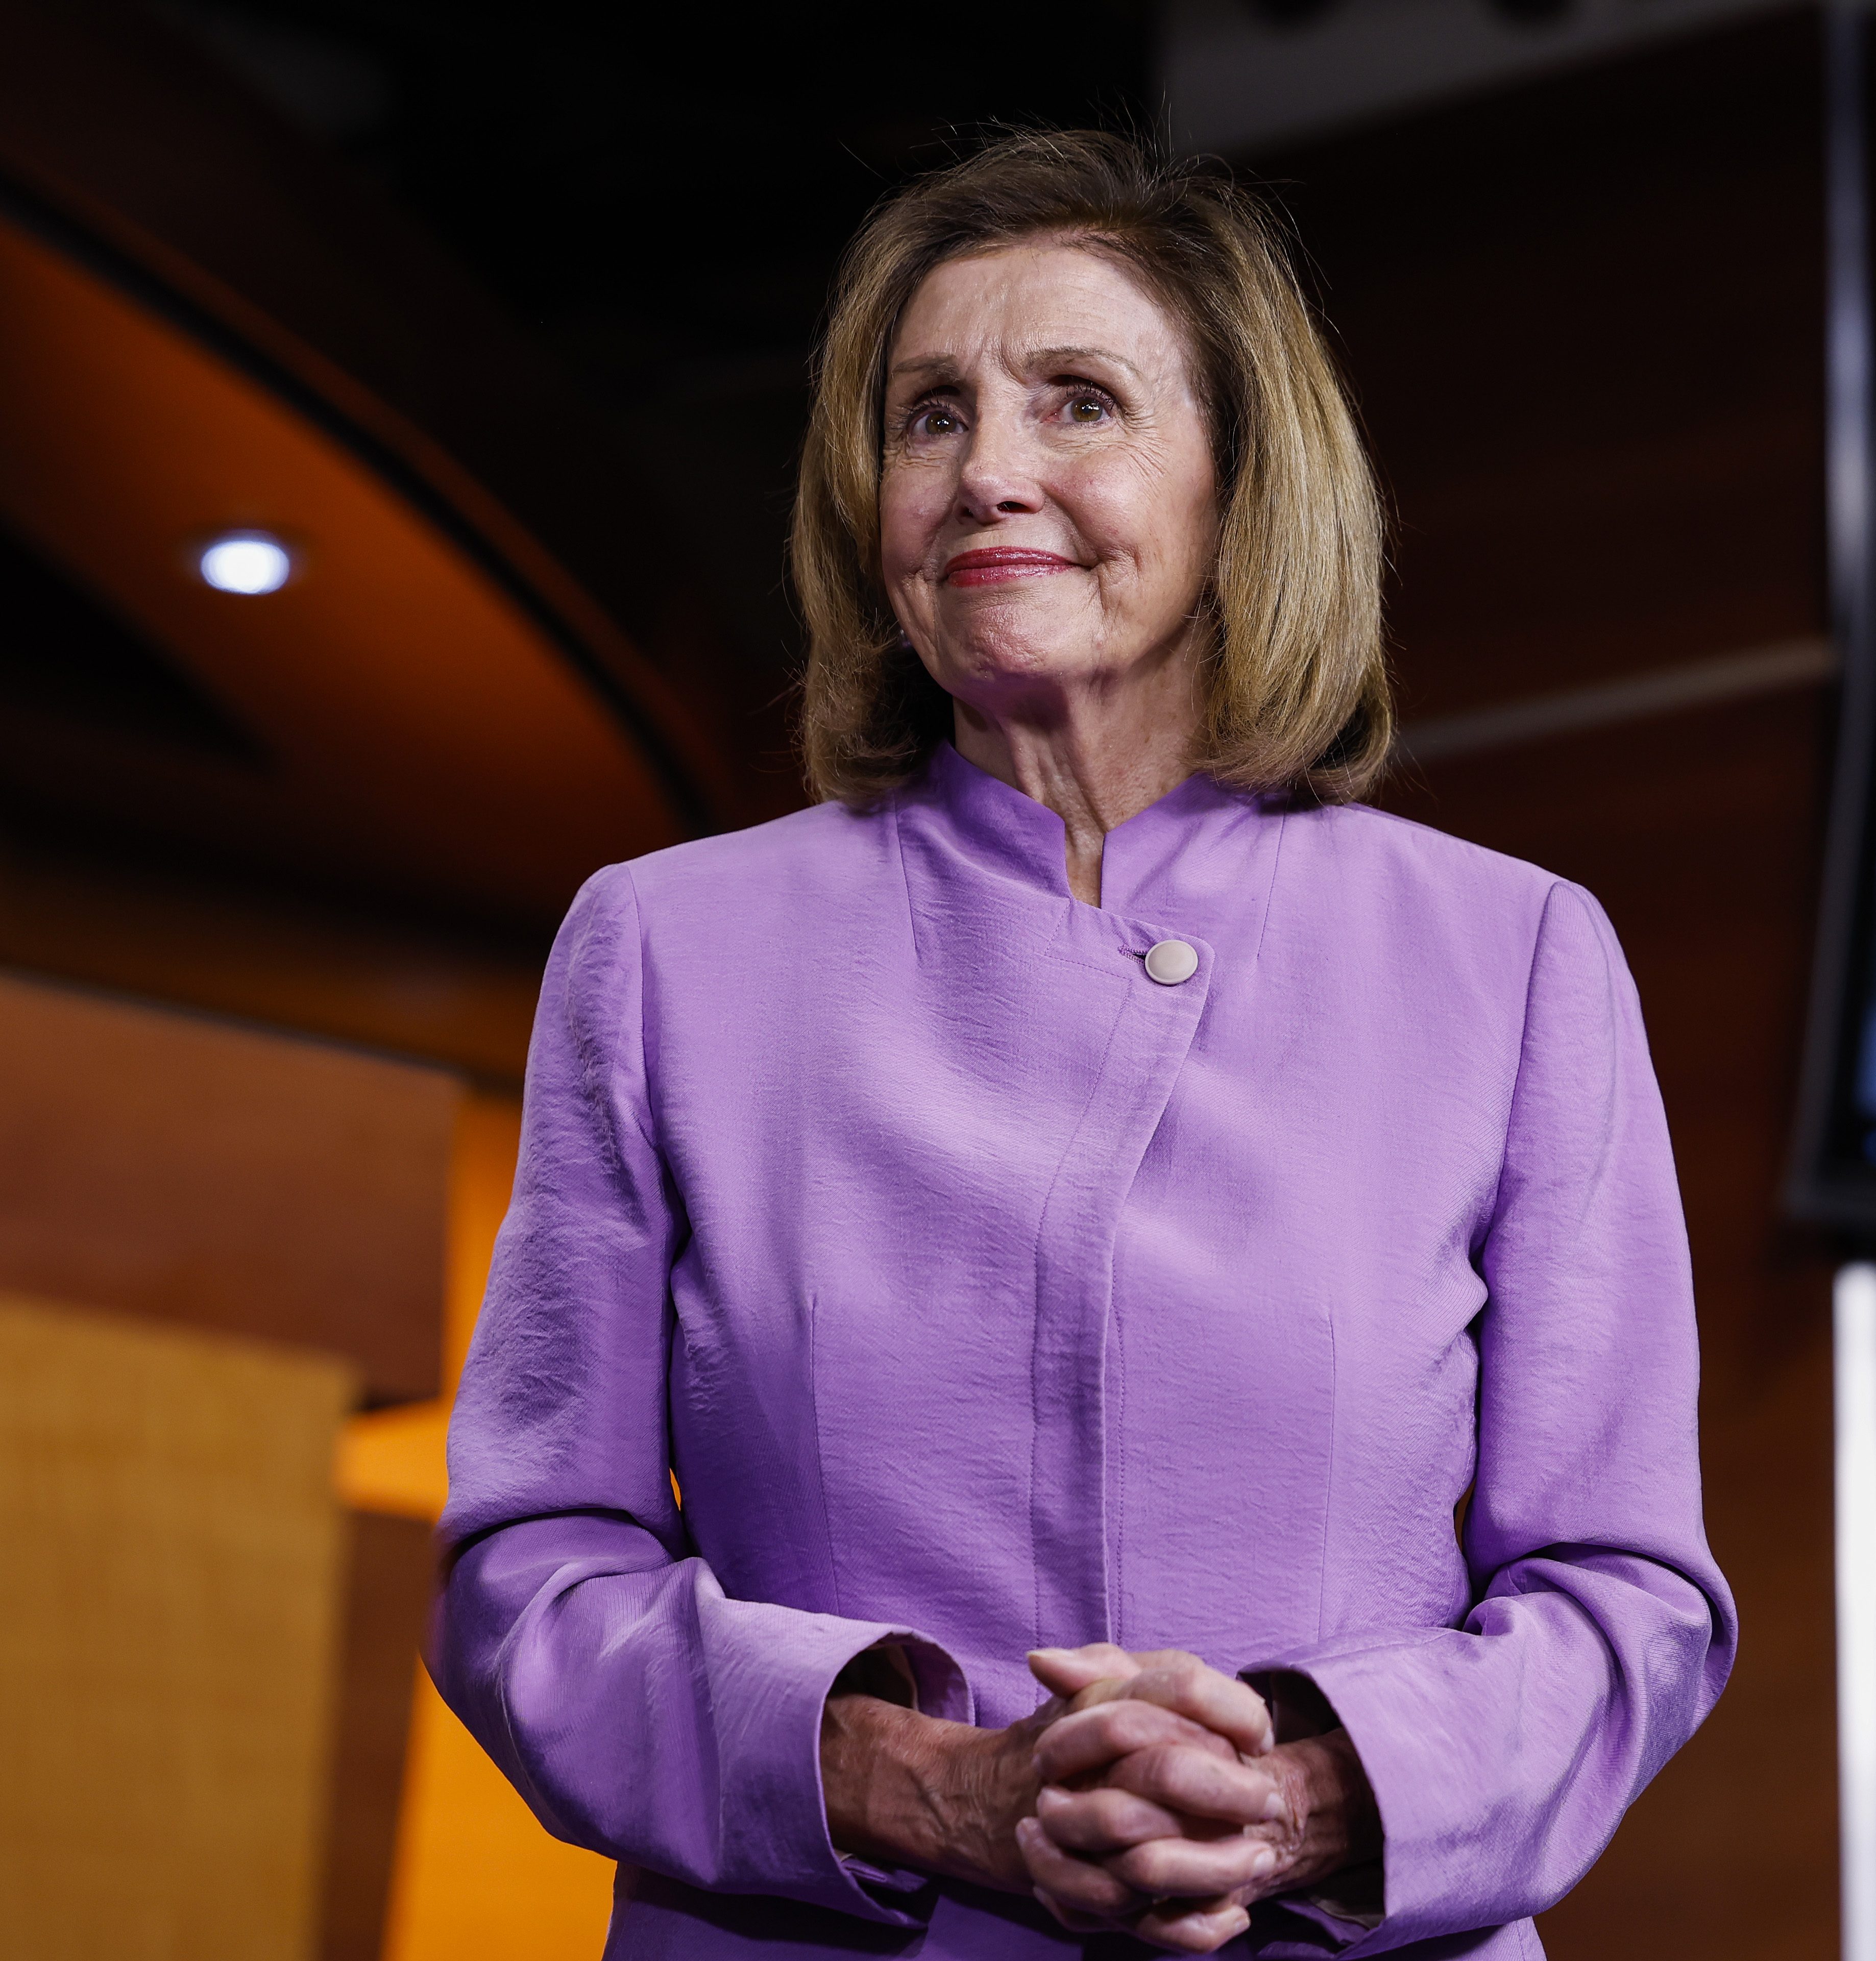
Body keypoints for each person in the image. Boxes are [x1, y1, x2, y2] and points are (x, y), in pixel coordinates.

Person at [429, 133, 1734, 1961]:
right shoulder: (664, 947)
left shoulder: (1511, 955)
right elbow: (523, 1576)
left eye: (1077, 402)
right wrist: (919, 1788)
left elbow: (1623, 1601)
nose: (988, 472)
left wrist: (1289, 1799)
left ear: (1235, 485)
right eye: (928, 415)